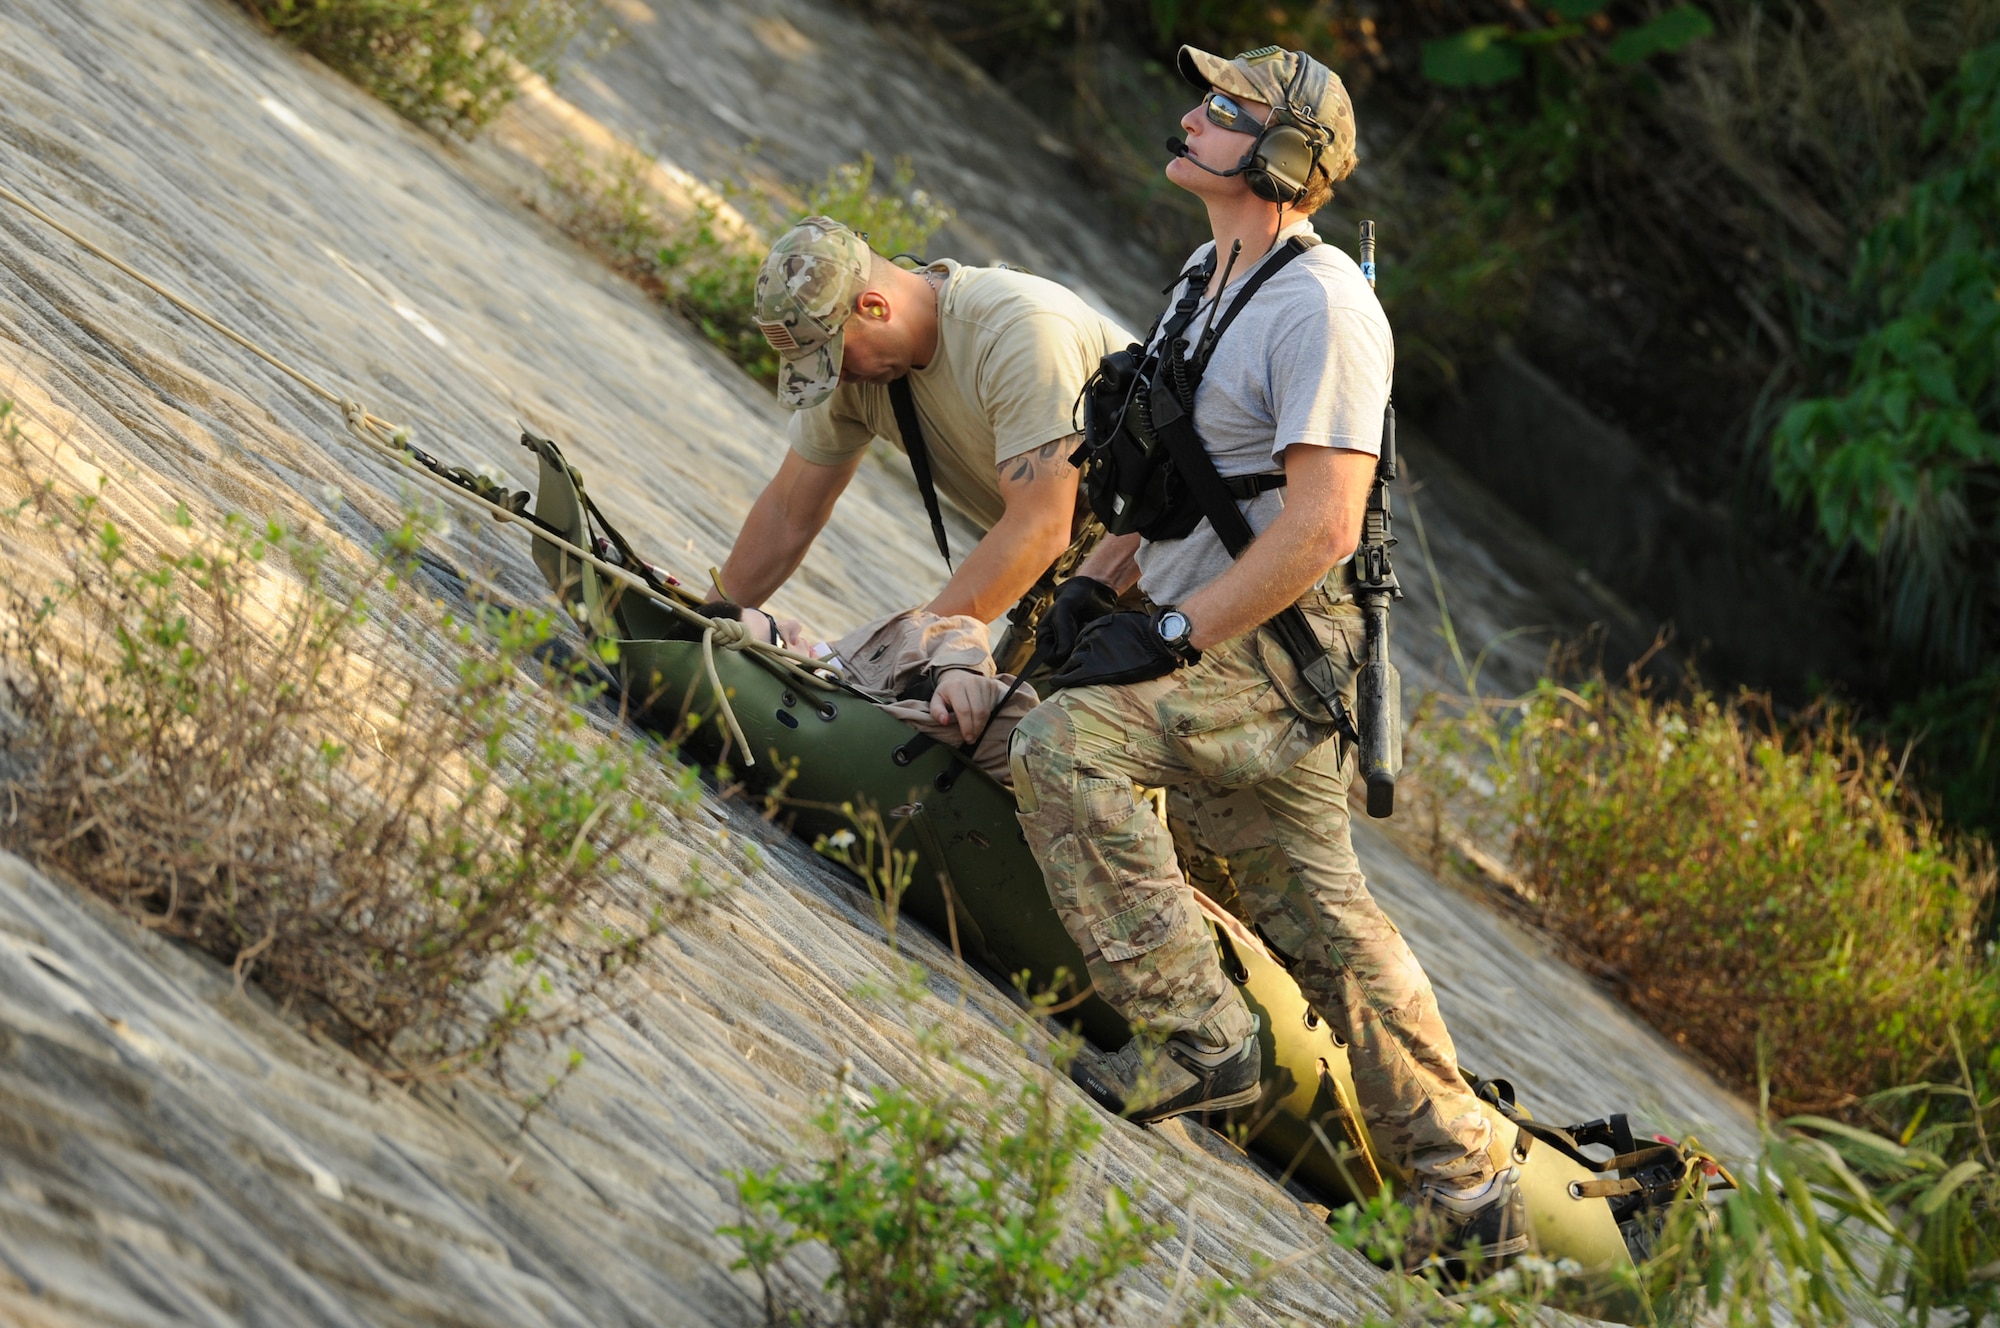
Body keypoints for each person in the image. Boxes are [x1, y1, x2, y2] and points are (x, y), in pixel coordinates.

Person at [1007, 44, 1529, 1266]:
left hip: (1273, 653)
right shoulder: (1209, 271)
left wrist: (1174, 635)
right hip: (1209, 625)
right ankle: (1466, 1186)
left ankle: (1199, 1040)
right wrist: (1087, 595)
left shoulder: (1327, 310)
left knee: (1061, 747)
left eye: (1225, 110)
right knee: (1317, 909)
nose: (1190, 116)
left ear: (1288, 160)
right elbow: (1170, 480)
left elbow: (1321, 525)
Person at [719, 216, 1133, 740]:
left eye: (833, 359)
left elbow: (1040, 526)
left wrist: (895, 654)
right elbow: (787, 512)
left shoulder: (1017, 330)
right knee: (1002, 762)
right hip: (1070, 598)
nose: (835, 377)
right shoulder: (857, 373)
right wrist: (719, 616)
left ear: (874, 307)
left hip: (1187, 590)